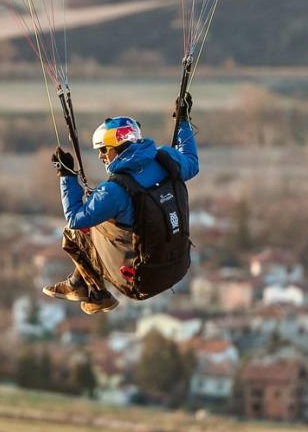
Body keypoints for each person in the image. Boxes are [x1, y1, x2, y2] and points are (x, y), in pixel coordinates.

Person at [43, 92, 199, 314]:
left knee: (75, 232)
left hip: (139, 282)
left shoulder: (114, 191)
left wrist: (67, 177)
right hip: (178, 266)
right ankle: (81, 285)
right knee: (96, 224)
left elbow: (75, 218)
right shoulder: (168, 159)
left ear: (119, 146)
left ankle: (97, 294)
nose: (101, 156)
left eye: (104, 150)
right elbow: (192, 162)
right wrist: (183, 121)